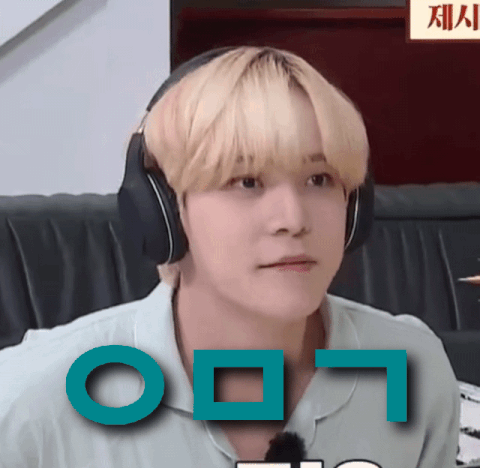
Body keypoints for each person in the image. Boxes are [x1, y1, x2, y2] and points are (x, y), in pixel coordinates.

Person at [0, 46, 459, 468]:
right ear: (162, 211)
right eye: (247, 181)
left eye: (319, 179)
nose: (293, 219)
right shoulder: (33, 402)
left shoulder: (413, 371)